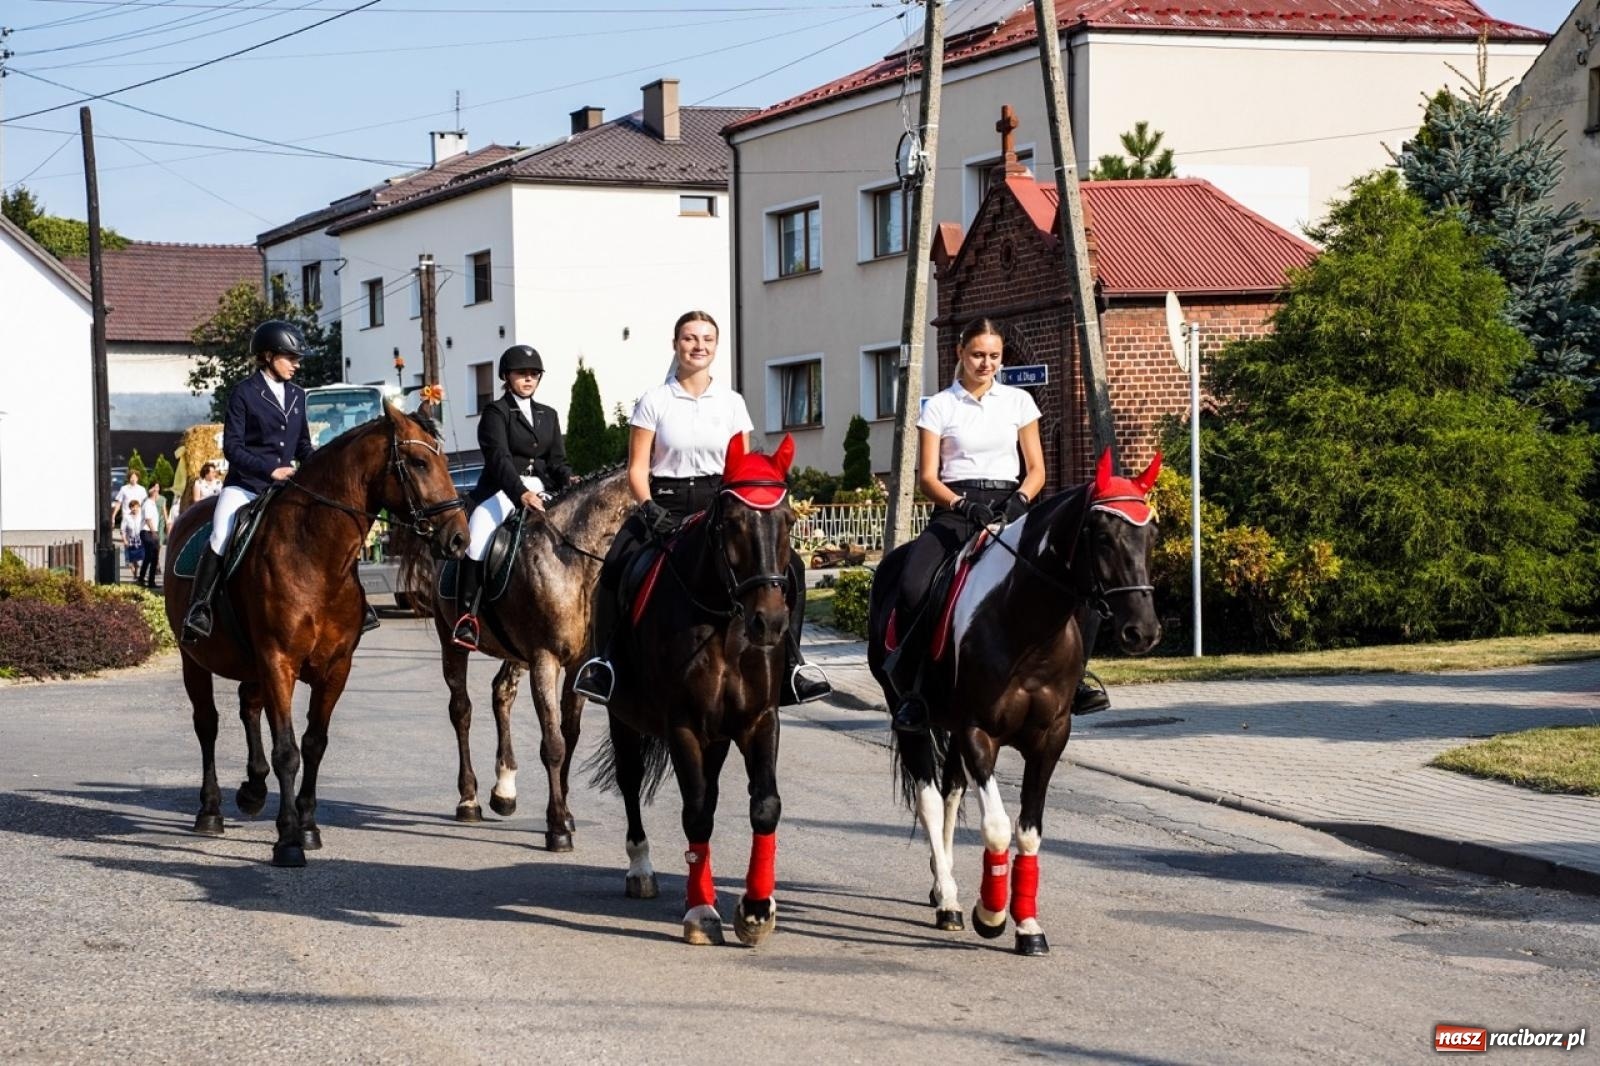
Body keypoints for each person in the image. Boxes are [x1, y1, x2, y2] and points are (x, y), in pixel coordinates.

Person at [573, 310, 831, 706]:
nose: (699, 346)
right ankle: (605, 663)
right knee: (618, 564)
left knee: (791, 566)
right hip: (666, 504)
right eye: (690, 338)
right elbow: (637, 469)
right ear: (675, 344)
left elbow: (741, 467)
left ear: (715, 346)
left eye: (707, 339)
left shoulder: (731, 403)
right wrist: (648, 508)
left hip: (719, 508)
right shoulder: (654, 401)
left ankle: (793, 665)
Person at [882, 318, 1108, 732]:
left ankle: (1076, 682)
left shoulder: (1018, 402)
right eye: (977, 355)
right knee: (914, 586)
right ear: (960, 354)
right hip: (956, 510)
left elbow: (1037, 469)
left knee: (1080, 586)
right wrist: (964, 506)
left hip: (1013, 507)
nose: (986, 364)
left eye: (994, 356)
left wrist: (1019, 501)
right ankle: (915, 691)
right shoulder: (939, 406)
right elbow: (928, 477)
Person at [182, 321, 315, 642]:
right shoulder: (244, 393)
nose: (297, 364)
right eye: (290, 357)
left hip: (287, 488)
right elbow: (233, 448)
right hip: (246, 486)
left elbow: (304, 448)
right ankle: (199, 609)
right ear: (268, 356)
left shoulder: (298, 395)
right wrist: (271, 469)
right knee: (221, 533)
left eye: (298, 358)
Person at [451, 344, 575, 650]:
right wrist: (520, 493)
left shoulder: (549, 414)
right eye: (522, 374)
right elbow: (499, 460)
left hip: (544, 488)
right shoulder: (496, 413)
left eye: (534, 374)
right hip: (502, 489)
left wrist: (570, 478)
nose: (529, 379)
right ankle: (467, 616)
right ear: (507, 376)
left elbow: (557, 460)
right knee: (478, 537)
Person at [138, 484, 167, 588]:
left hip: (151, 532)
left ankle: (149, 580)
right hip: (148, 532)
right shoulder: (148, 503)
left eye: (157, 490)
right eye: (154, 490)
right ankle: (143, 579)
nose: (156, 492)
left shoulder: (153, 504)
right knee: (151, 556)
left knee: (152, 557)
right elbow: (148, 519)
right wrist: (154, 533)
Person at [120, 498, 145, 579]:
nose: (135, 509)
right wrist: (124, 540)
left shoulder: (141, 516)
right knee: (130, 560)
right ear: (130, 508)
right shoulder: (126, 517)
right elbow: (122, 530)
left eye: (136, 507)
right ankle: (133, 571)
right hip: (129, 540)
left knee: (137, 559)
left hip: (139, 540)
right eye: (133, 507)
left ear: (139, 507)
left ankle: (135, 574)